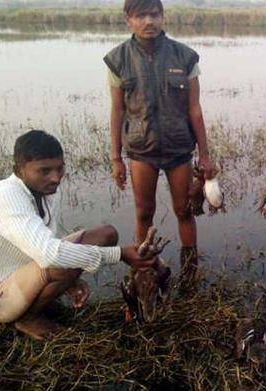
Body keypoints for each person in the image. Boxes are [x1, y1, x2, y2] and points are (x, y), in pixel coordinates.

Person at [0, 130, 157, 341]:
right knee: (59, 261)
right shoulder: (6, 196)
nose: (55, 178)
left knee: (107, 235)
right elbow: (50, 255)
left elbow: (48, 243)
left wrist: (70, 282)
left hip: (22, 274)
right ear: (19, 170)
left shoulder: (46, 190)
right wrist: (119, 255)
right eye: (44, 170)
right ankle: (27, 318)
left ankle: (36, 300)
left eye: (59, 168)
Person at [104, 0, 214, 282]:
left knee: (184, 210)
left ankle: (190, 273)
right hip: (141, 151)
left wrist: (205, 155)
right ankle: (145, 272)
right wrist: (116, 158)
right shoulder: (118, 59)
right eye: (141, 15)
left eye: (154, 14)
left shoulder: (184, 56)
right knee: (144, 212)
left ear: (163, 17)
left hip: (179, 149)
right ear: (128, 19)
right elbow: (117, 110)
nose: (148, 21)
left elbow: (195, 109)